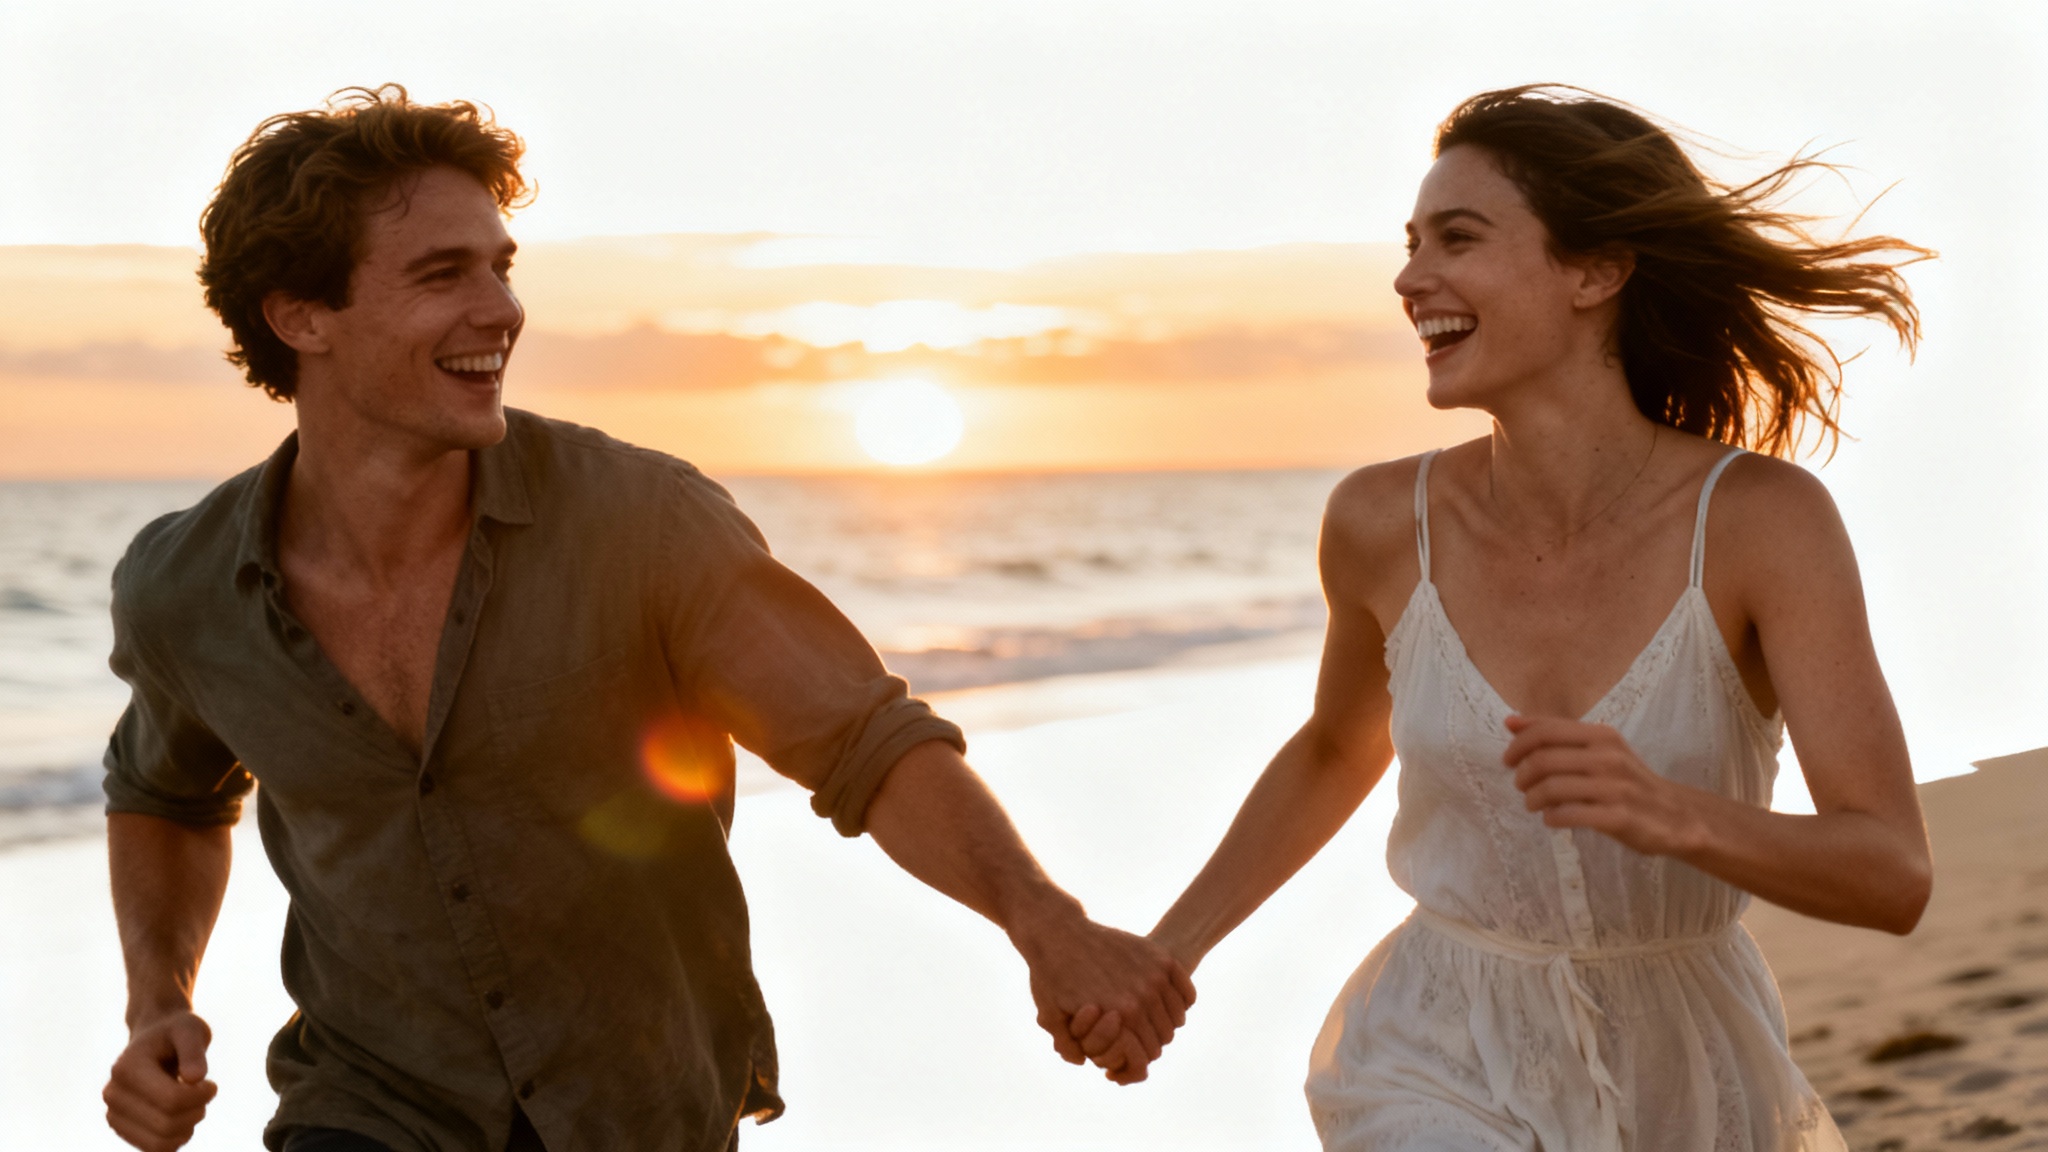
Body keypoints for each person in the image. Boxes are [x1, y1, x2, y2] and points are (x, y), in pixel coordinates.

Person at [97, 86, 1192, 1152]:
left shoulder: (643, 523)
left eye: (501, 267)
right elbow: (165, 793)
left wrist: (1045, 924)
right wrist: (157, 1002)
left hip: (639, 1111)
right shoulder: (185, 589)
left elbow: (864, 741)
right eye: (443, 274)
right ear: (300, 316)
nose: (501, 309)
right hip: (367, 1107)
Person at [1084, 86, 1934, 1148]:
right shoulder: (1377, 521)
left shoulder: (1763, 525)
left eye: (1458, 238)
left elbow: (1890, 872)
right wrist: (1168, 954)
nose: (1408, 277)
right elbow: (1335, 746)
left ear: (1594, 270)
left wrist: (1674, 813)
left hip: (1684, 1059)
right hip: (1434, 1045)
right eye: (1409, 243)